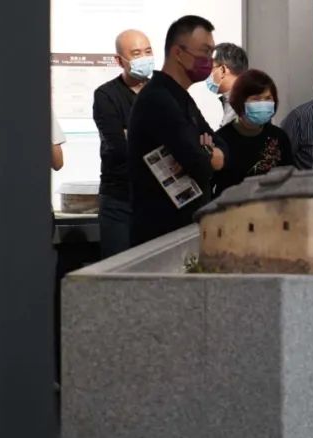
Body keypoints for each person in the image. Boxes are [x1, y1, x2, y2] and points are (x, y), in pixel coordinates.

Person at [127, 15, 227, 245]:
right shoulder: (158, 99)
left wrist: (210, 153)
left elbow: (221, 145)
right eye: (204, 51)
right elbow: (198, 163)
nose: (209, 60)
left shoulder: (181, 98)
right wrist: (208, 154)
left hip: (183, 227)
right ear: (178, 53)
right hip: (160, 233)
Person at [92, 28, 153, 257]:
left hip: (157, 201)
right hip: (119, 202)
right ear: (119, 60)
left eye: (148, 51)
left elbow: (185, 139)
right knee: (119, 268)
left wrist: (132, 134)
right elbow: (119, 147)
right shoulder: (106, 95)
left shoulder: (163, 90)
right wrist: (160, 137)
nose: (144, 58)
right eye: (136, 54)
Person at [212, 69, 294, 196]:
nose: (263, 104)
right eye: (256, 99)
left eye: (268, 98)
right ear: (240, 102)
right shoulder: (221, 140)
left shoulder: (279, 137)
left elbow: (288, 179)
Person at [208, 42, 249, 127]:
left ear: (223, 70)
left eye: (210, 68)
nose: (207, 74)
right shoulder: (233, 101)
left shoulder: (245, 107)